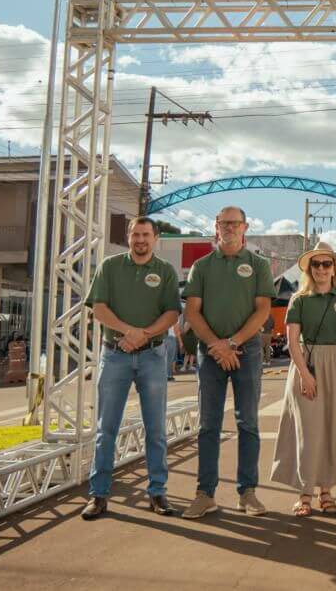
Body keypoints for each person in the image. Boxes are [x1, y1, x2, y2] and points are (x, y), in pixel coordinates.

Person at [81, 217, 181, 520]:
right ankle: (98, 495)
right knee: (106, 429)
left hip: (153, 356)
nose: (140, 240)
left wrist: (144, 335)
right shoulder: (110, 267)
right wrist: (129, 332)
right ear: (128, 237)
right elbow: (99, 308)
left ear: (155, 238)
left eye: (146, 235)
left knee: (156, 429)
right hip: (115, 355)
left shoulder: (165, 271)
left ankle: (157, 492)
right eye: (136, 234)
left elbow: (172, 313)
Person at [182, 206, 277, 520]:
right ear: (216, 226)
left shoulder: (258, 265)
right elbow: (192, 311)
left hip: (246, 351)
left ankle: (246, 492)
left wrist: (232, 343)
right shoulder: (202, 266)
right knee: (208, 425)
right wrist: (216, 345)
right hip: (210, 352)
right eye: (225, 223)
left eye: (235, 223)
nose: (230, 228)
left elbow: (263, 310)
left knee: (247, 422)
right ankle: (204, 494)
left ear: (245, 227)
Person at [271, 241, 336, 515]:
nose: (321, 269)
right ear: (309, 269)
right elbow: (292, 341)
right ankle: (304, 493)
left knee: (332, 428)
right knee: (307, 431)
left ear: (334, 268)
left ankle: (326, 491)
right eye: (315, 264)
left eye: (326, 263)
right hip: (306, 364)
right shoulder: (299, 299)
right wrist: (305, 374)